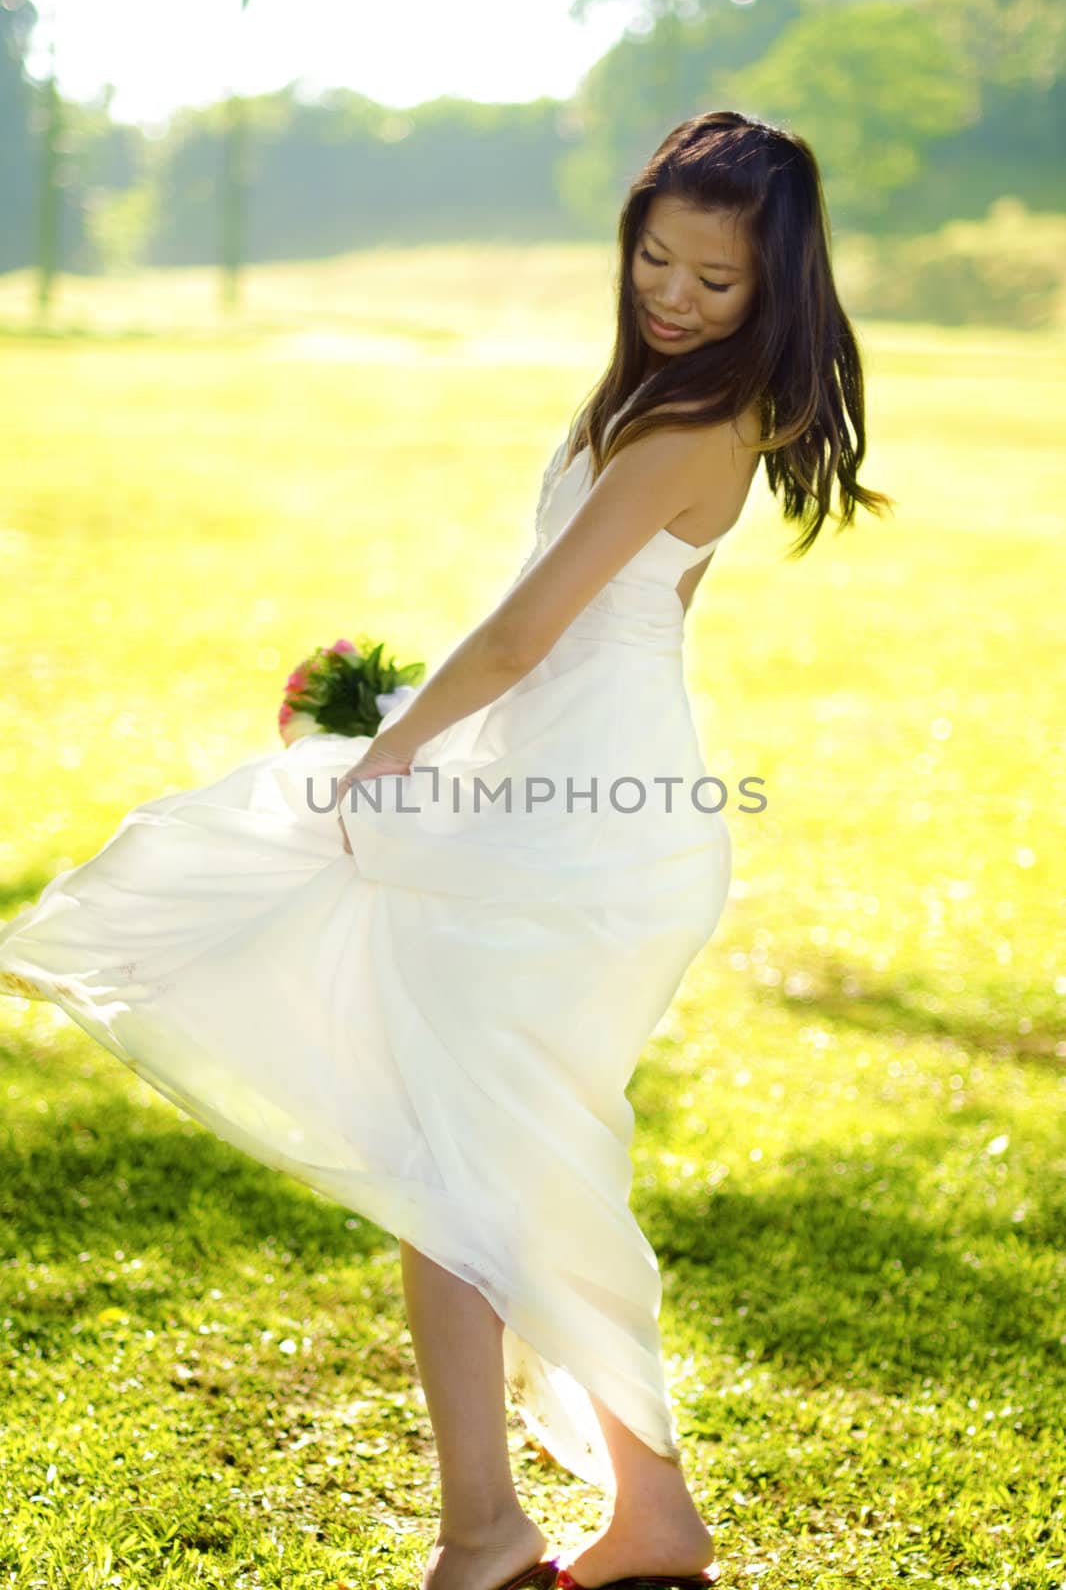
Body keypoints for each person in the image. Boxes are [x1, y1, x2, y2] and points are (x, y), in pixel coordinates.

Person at [0, 110, 890, 1590]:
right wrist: (416, 726)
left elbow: (531, 632)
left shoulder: (688, 423)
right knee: (480, 1172)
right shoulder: (660, 403)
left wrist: (389, 755)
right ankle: (583, 1522)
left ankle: (500, 1533)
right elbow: (577, 641)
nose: (672, 295)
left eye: (715, 284)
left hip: (572, 853)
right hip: (555, 818)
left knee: (474, 1175)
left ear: (777, 292)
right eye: (653, 257)